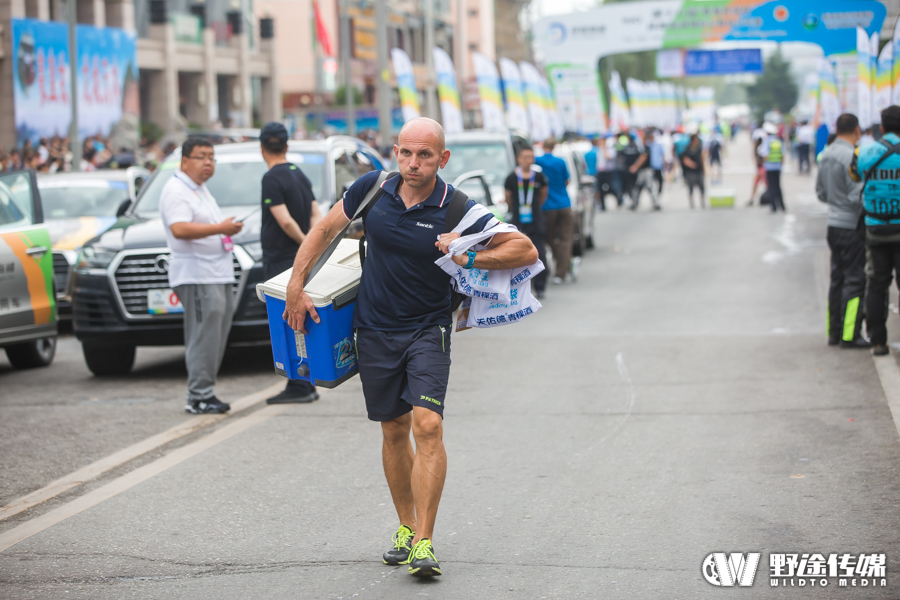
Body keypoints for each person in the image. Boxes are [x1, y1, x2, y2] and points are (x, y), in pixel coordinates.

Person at [282, 118, 537, 578]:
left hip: (428, 328)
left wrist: (469, 255)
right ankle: (405, 525)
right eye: (406, 153)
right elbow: (321, 233)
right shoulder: (372, 188)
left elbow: (525, 250)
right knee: (394, 429)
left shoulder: (456, 205)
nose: (413, 164)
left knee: (428, 425)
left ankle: (425, 540)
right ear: (395, 152)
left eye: (424, 156)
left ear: (443, 159)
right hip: (374, 329)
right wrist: (296, 287)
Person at [159, 137, 243, 414]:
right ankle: (199, 396)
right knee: (202, 334)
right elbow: (180, 229)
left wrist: (223, 228)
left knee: (216, 334)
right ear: (185, 161)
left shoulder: (198, 189)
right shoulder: (176, 190)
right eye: (201, 157)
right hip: (196, 273)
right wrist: (221, 228)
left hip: (216, 272)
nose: (208, 162)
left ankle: (206, 391)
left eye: (212, 157)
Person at [259, 121, 323, 403]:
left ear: (262, 148)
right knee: (301, 319)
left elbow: (284, 220)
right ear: (287, 145)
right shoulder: (300, 175)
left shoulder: (271, 178)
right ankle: (307, 380)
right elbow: (315, 214)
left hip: (282, 260)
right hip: (300, 263)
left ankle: (298, 384)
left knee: (287, 319)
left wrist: (303, 246)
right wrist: (313, 245)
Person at [851, 106, 900, 356]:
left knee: (876, 285)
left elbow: (854, 175)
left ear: (881, 127)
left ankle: (878, 342)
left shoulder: (866, 152)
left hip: (875, 228)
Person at [816, 113, 867, 348]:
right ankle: (850, 334)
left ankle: (834, 332)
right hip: (851, 225)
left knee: (837, 280)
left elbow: (821, 192)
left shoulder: (825, 154)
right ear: (857, 130)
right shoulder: (850, 156)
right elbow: (858, 195)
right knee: (855, 281)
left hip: (833, 225)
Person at [505, 145, 549, 298]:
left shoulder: (538, 177)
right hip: (518, 223)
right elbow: (508, 198)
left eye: (531, 157)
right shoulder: (511, 178)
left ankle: (540, 286)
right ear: (518, 159)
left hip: (535, 221)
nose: (528, 160)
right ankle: (519, 288)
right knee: (517, 256)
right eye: (525, 157)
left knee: (539, 253)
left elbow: (543, 195)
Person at [535, 138, 574, 284]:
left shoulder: (537, 161)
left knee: (549, 238)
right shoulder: (560, 162)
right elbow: (567, 181)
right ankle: (562, 271)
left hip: (547, 206)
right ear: (555, 146)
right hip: (564, 204)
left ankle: (557, 265)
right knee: (566, 239)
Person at [628, 131, 660, 211]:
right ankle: (635, 203)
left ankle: (655, 203)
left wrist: (635, 166)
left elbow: (643, 158)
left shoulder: (646, 148)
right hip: (642, 171)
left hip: (646, 171)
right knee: (638, 187)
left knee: (649, 187)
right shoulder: (641, 147)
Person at [758, 122, 785, 212]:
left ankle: (773, 206)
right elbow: (782, 155)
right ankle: (782, 205)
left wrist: (762, 161)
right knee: (778, 186)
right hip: (777, 166)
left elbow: (765, 155)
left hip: (769, 167)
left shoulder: (767, 142)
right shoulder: (778, 141)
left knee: (771, 186)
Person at [681, 133, 705, 209]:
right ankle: (691, 201)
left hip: (699, 170)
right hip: (690, 172)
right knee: (691, 187)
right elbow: (684, 159)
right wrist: (691, 164)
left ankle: (702, 201)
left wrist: (704, 169)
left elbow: (702, 158)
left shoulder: (698, 149)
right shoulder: (687, 149)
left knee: (701, 186)